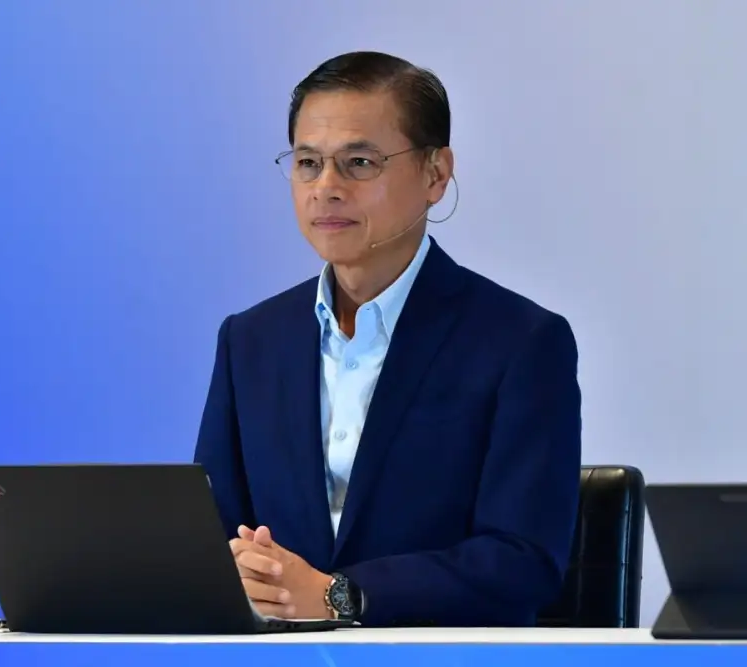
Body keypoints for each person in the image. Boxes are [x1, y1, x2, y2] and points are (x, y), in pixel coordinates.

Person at [194, 51, 582, 628]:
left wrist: (339, 596)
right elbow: (212, 533)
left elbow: (523, 560)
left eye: (359, 162)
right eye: (308, 163)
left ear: (435, 174)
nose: (326, 188)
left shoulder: (520, 342)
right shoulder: (250, 340)